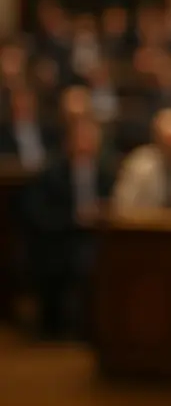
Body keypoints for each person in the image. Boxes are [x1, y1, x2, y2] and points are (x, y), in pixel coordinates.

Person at [23, 120, 113, 339]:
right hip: (59, 238)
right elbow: (38, 214)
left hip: (98, 238)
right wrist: (75, 219)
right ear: (68, 144)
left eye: (89, 140)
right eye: (79, 140)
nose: (84, 145)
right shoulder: (51, 173)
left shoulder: (107, 173)